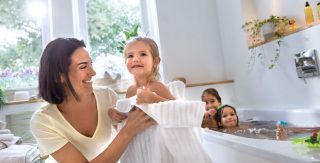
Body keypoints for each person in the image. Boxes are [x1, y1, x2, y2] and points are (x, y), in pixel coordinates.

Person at [30, 38, 156, 163]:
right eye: (83, 67)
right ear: (59, 76)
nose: (93, 72)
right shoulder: (43, 121)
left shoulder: (107, 97)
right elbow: (128, 131)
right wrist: (127, 132)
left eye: (91, 64)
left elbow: (136, 137)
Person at [124, 36, 175, 103]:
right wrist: (114, 110)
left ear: (155, 61)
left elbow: (176, 107)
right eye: (130, 56)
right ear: (125, 62)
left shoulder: (158, 87)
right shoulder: (130, 91)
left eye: (143, 54)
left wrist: (154, 99)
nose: (135, 59)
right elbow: (126, 111)